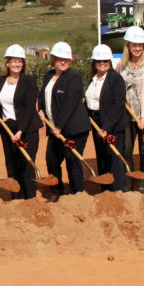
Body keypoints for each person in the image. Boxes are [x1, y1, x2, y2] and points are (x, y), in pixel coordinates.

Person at [38, 41, 90, 202]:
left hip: (74, 129)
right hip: (55, 129)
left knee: (72, 161)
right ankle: (56, 190)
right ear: (53, 59)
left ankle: (76, 195)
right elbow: (42, 96)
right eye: (59, 58)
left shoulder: (73, 78)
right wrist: (40, 109)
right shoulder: (48, 75)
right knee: (51, 160)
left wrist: (59, 126)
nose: (63, 61)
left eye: (66, 59)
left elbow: (69, 104)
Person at [114, 26, 144, 193]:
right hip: (126, 115)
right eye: (134, 45)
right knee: (126, 149)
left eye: (140, 45)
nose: (137, 48)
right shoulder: (121, 64)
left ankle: (142, 183)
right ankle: (127, 183)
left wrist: (143, 117)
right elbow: (115, 85)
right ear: (128, 46)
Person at [0, 44, 42, 200]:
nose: (17, 64)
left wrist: (20, 131)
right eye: (14, 61)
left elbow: (29, 108)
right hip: (7, 128)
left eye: (20, 61)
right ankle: (16, 199)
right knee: (12, 164)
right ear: (7, 63)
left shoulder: (28, 81)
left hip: (27, 129)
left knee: (26, 165)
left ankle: (30, 198)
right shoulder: (0, 81)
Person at [86, 44, 129, 192]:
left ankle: (117, 191)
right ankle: (105, 192)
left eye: (105, 61)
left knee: (113, 159)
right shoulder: (93, 79)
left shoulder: (115, 79)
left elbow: (117, 105)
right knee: (102, 157)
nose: (102, 64)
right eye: (99, 61)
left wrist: (107, 128)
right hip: (96, 122)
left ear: (110, 62)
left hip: (112, 125)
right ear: (94, 63)